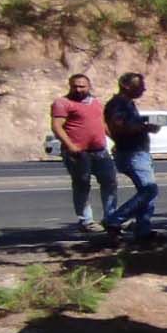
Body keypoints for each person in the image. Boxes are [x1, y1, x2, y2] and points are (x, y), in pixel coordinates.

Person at [50, 73, 117, 233]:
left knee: (110, 182)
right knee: (82, 186)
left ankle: (111, 217)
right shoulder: (62, 103)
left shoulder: (95, 102)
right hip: (78, 153)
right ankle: (86, 221)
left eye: (82, 86)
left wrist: (116, 141)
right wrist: (70, 146)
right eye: (75, 86)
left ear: (89, 87)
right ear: (70, 86)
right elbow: (57, 126)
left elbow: (103, 124)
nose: (78, 89)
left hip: (99, 151)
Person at [101, 72, 162, 243]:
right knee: (149, 189)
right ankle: (115, 220)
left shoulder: (126, 104)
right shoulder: (118, 105)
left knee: (147, 192)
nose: (143, 89)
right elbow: (118, 127)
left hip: (136, 151)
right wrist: (144, 128)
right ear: (126, 85)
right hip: (132, 153)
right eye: (139, 85)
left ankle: (143, 230)